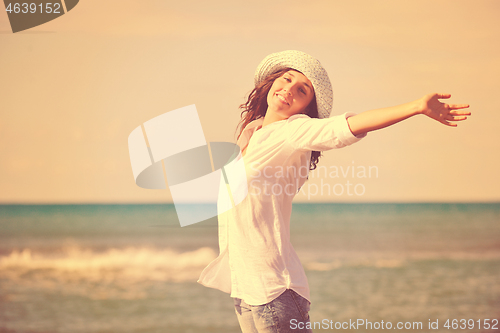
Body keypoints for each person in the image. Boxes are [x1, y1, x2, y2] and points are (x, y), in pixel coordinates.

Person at [197, 50, 470, 333]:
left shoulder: (293, 131)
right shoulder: (251, 133)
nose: (288, 89)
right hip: (245, 288)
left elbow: (348, 126)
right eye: (287, 79)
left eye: (301, 90)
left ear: (306, 108)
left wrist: (415, 107)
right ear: (272, 82)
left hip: (274, 290)